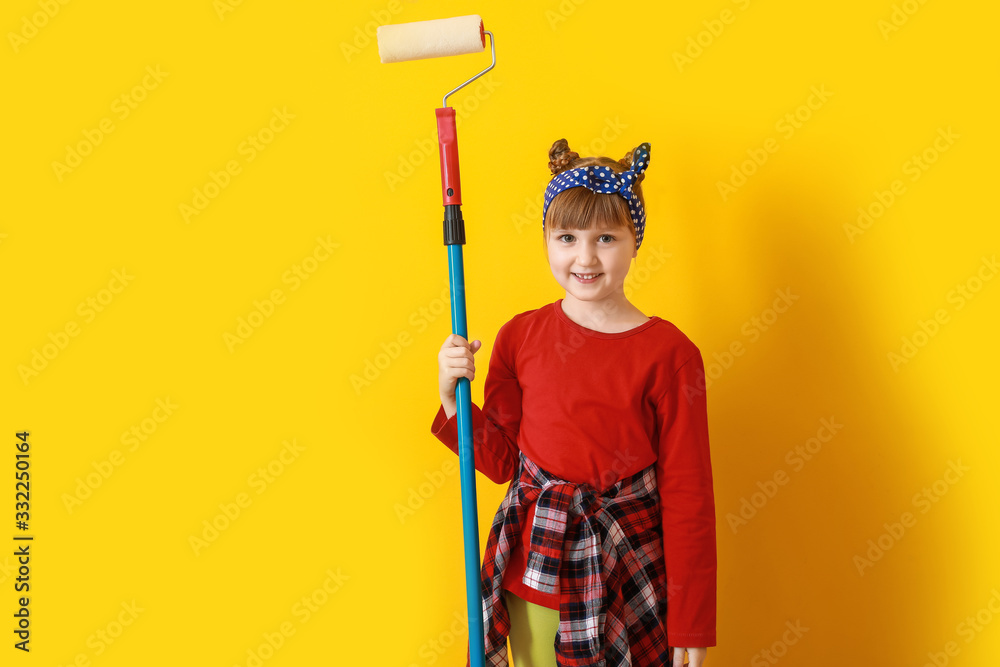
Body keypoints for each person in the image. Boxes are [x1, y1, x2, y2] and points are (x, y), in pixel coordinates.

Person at [432, 138, 716, 667]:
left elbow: (690, 498)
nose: (584, 257)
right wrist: (453, 401)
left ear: (635, 242)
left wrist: (692, 627)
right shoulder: (519, 337)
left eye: (605, 237)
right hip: (533, 575)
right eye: (567, 237)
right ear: (546, 240)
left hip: (630, 574)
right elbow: (498, 462)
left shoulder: (671, 355)